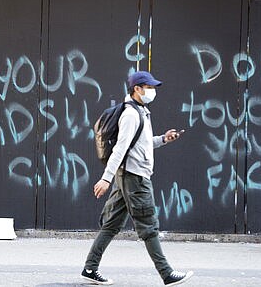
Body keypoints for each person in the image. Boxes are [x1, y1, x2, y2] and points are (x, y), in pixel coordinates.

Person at [80, 71, 194, 286]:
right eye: (148, 87)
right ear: (137, 89)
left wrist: (163, 139)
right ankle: (167, 273)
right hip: (135, 178)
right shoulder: (131, 114)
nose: (152, 91)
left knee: (111, 225)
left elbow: (139, 144)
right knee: (148, 226)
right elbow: (120, 149)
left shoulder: (140, 111)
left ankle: (89, 268)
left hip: (128, 176)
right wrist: (106, 178)